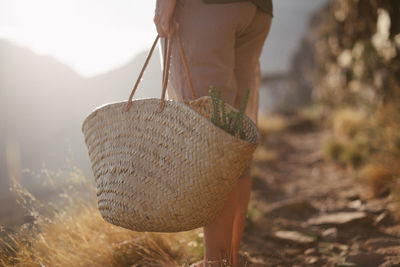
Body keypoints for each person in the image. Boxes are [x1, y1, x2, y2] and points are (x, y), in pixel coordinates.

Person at [154, 1, 273, 266]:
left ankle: (215, 262)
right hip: (258, 9)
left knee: (209, 135)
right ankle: (228, 258)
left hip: (205, 8)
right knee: (234, 136)